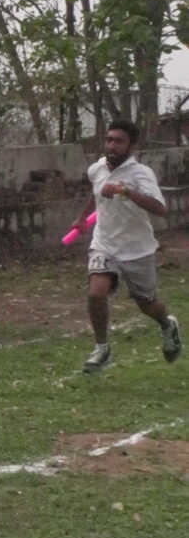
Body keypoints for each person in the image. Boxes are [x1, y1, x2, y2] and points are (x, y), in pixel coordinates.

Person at [81, 115, 182, 373]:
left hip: (137, 249)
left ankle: (167, 325)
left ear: (131, 146)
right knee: (96, 293)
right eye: (109, 140)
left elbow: (160, 208)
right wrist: (81, 219)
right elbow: (96, 195)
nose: (111, 145)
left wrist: (125, 191)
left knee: (147, 304)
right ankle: (102, 349)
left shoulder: (141, 174)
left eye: (119, 141)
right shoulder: (96, 169)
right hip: (104, 243)